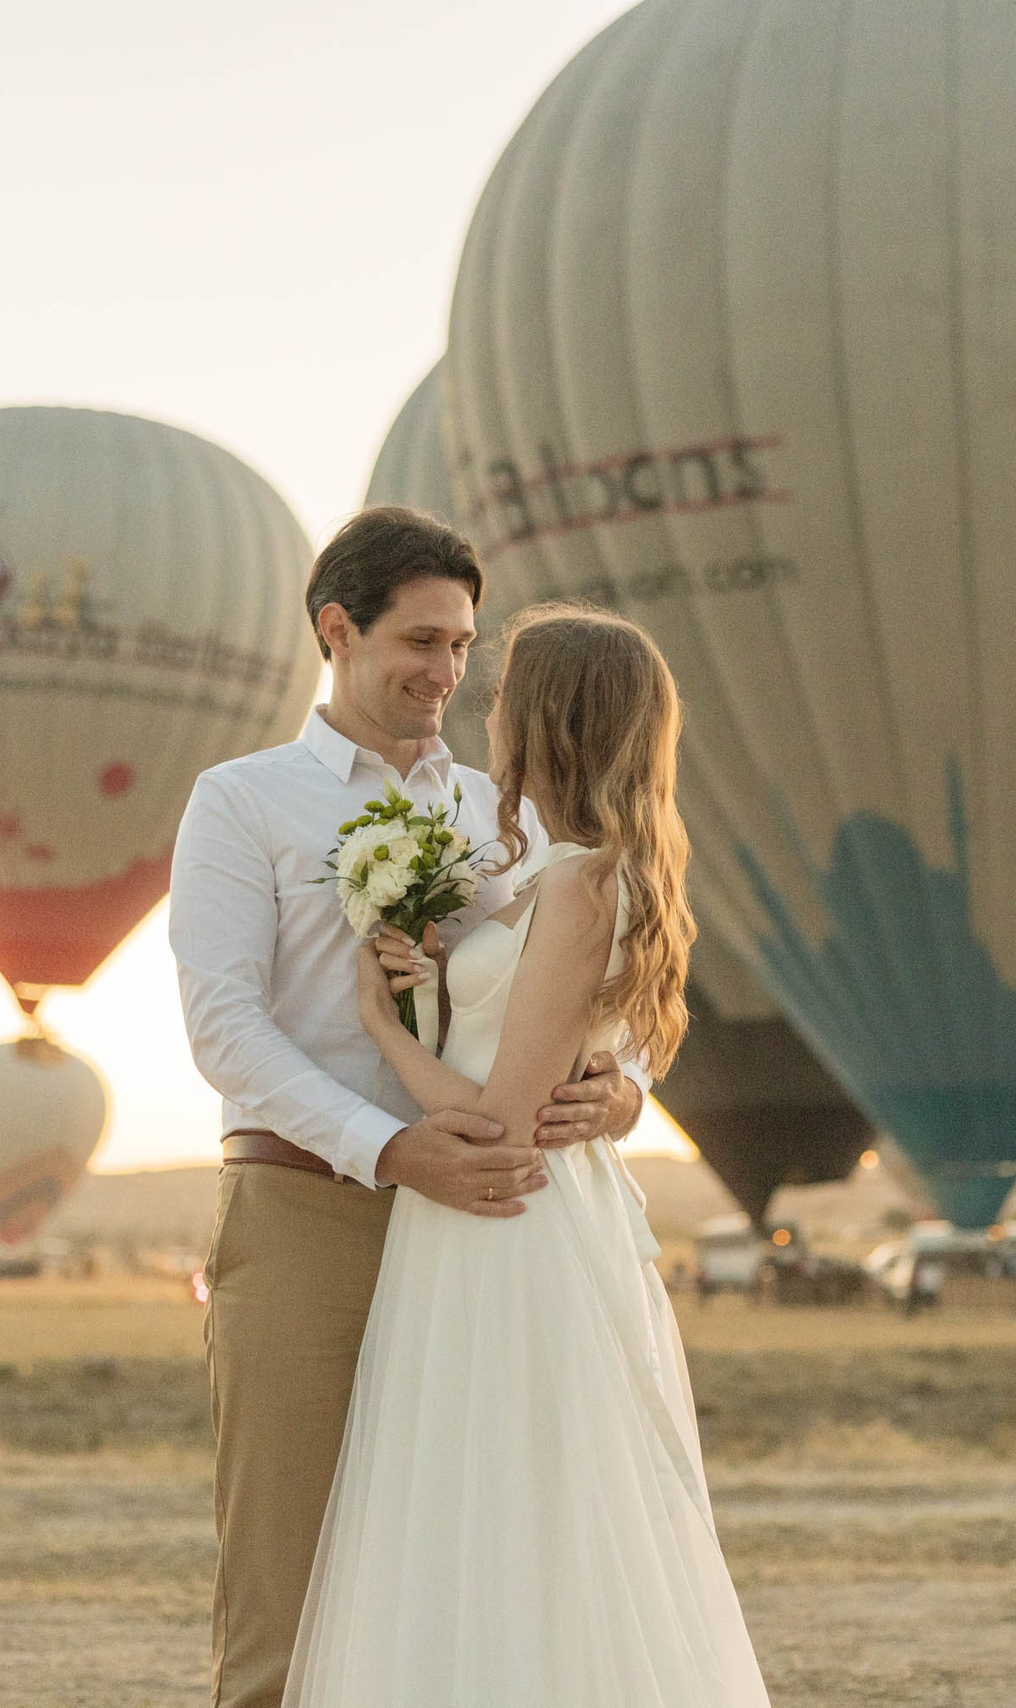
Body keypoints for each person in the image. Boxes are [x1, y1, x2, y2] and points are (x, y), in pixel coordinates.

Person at [169, 509, 647, 1708]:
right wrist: (390, 1148)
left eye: (464, 647)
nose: (445, 672)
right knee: (286, 1588)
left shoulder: (512, 810)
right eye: (420, 641)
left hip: (493, 1233)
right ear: (338, 629)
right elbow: (223, 1025)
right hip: (305, 1211)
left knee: (479, 1575)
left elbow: (597, 978)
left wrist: (624, 1087)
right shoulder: (242, 802)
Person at [284, 602, 766, 1707]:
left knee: (510, 1504)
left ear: (544, 716)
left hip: (509, 1216)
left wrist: (381, 1030)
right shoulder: (547, 870)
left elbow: (499, 1123)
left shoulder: (579, 883)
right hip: (505, 1217)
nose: (484, 710)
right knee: (493, 1503)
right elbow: (576, 1050)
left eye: (503, 694)